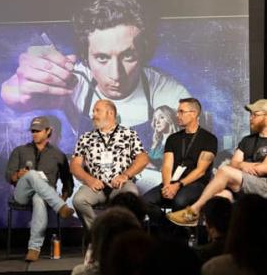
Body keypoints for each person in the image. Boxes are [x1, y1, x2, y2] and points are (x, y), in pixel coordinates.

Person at [1, 0, 191, 145]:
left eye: (128, 56)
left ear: (143, 53)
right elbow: (13, 93)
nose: (116, 75)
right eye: (102, 58)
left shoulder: (168, 93)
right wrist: (13, 92)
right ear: (86, 58)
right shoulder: (74, 83)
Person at [167, 99, 267, 226]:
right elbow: (234, 164)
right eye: (250, 114)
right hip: (243, 183)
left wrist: (242, 165)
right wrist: (245, 165)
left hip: (263, 185)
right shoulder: (247, 140)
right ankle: (220, 241)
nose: (250, 118)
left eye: (255, 115)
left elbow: (262, 169)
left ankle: (194, 211)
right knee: (219, 198)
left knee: (224, 170)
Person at [70, 99, 149, 234]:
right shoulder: (86, 138)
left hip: (120, 184)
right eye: (93, 111)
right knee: (79, 200)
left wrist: (125, 175)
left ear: (110, 113)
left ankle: (123, 237)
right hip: (95, 186)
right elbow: (75, 165)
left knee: (131, 195)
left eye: (97, 111)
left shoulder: (128, 134)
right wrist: (89, 180)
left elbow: (143, 159)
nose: (93, 114)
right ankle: (98, 234)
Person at [6, 116, 75, 262]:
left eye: (38, 131)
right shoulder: (19, 151)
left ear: (48, 131)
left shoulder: (58, 154)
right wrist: (18, 174)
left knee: (39, 198)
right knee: (31, 174)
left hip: (44, 196)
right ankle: (60, 207)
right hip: (22, 194)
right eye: (32, 131)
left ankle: (34, 248)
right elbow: (8, 176)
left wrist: (65, 194)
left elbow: (67, 180)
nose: (34, 134)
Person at [143, 98, 217, 229]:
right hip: (171, 183)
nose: (177, 115)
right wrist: (167, 186)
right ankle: (168, 229)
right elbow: (167, 166)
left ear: (194, 114)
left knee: (179, 201)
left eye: (181, 112)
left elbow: (201, 171)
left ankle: (178, 237)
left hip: (196, 183)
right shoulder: (173, 138)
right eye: (177, 112)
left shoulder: (209, 139)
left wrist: (178, 185)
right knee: (144, 202)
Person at [148, 105, 178, 169]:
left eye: (161, 117)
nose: (157, 122)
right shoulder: (156, 143)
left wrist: (152, 167)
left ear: (169, 119)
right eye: (155, 119)